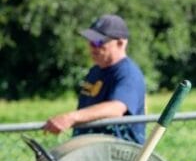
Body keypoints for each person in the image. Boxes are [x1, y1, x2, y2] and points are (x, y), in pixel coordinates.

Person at [43, 14, 146, 144]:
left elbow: (116, 108)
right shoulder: (94, 71)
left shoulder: (128, 73)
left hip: (117, 150)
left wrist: (71, 117)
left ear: (120, 43)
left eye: (99, 42)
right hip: (90, 147)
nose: (93, 47)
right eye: (90, 41)